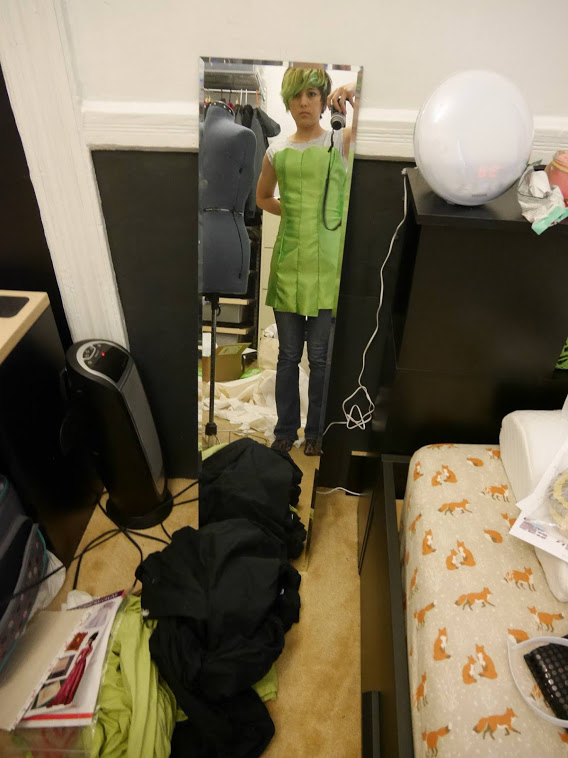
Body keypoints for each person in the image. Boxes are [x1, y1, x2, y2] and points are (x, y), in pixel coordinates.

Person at [256, 68, 356, 455]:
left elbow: (363, 125)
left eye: (313, 94)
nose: (304, 103)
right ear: (288, 101)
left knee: (320, 358)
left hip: (327, 267)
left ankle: (315, 433)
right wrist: (295, 212)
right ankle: (285, 431)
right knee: (286, 356)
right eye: (297, 96)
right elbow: (263, 198)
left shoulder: (340, 142)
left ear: (323, 99)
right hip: (290, 263)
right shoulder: (275, 150)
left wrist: (353, 91)